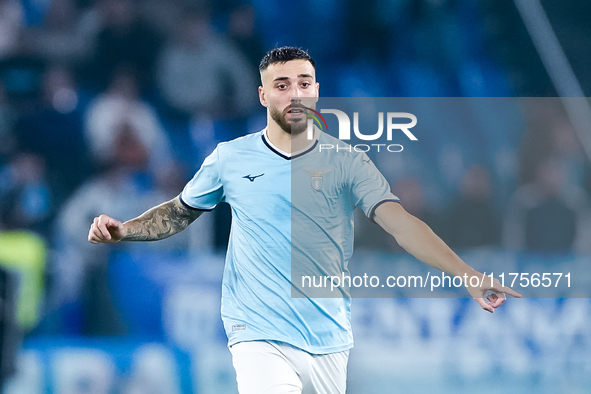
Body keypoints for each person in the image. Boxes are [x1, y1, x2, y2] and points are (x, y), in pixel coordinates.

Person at [88, 46, 521, 394]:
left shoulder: (348, 160)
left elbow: (401, 223)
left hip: (329, 335)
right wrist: (124, 229)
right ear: (263, 95)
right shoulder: (230, 158)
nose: (294, 93)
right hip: (257, 331)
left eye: (303, 83)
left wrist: (466, 274)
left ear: (316, 91)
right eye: (281, 85)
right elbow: (180, 212)